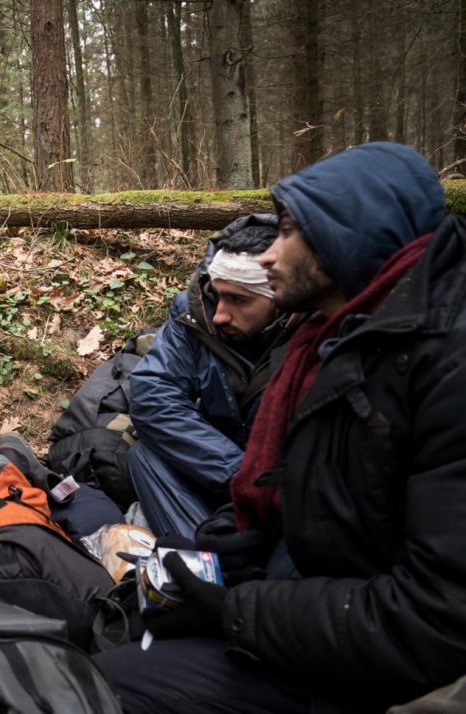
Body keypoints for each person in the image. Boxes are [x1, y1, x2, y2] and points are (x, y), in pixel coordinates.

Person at [93, 142, 466, 713]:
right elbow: (157, 397)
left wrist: (235, 609)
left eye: (289, 231)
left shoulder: (434, 361)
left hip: (360, 666)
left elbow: (436, 617)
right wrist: (213, 553)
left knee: (96, 685)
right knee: (142, 472)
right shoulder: (336, 340)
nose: (272, 253)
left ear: (349, 234)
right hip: (306, 601)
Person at [127, 214, 299, 539]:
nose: (220, 314)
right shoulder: (195, 310)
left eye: (238, 299)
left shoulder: (316, 328)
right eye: (216, 294)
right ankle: (208, 566)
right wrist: (240, 474)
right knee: (144, 455)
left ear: (282, 295)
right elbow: (153, 396)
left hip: (286, 493)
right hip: (223, 468)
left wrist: (262, 485)